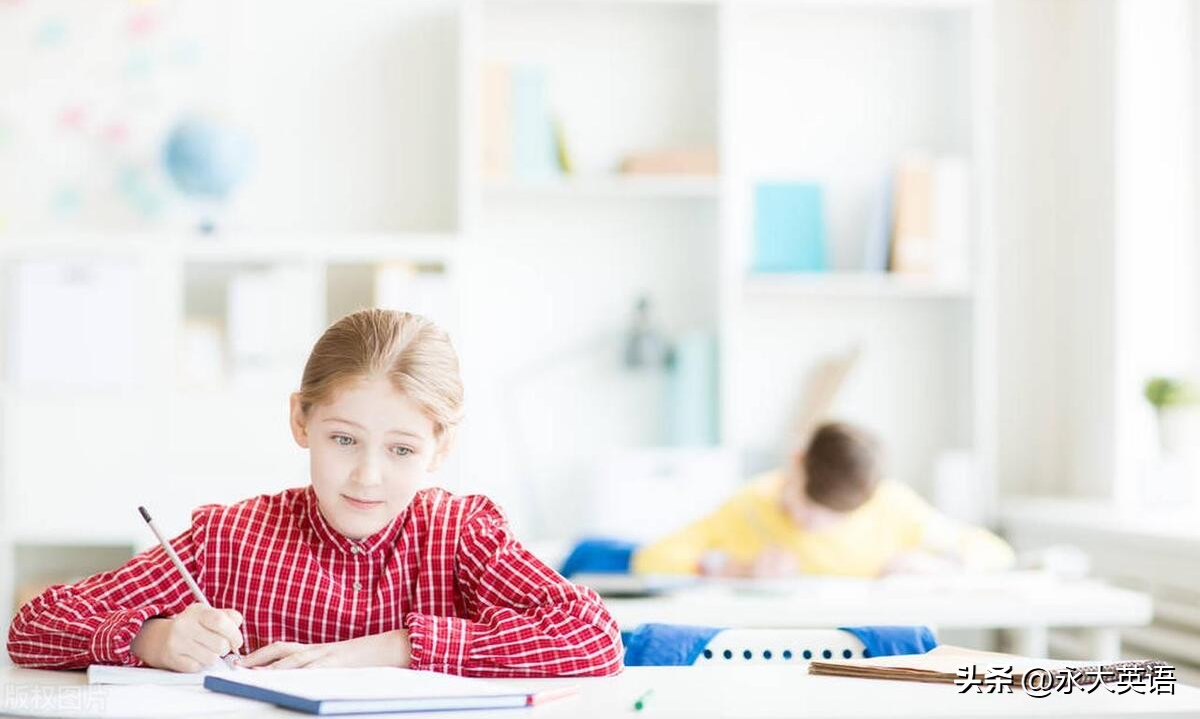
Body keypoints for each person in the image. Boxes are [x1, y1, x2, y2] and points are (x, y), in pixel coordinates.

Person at [8, 309, 622, 677]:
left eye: (401, 450)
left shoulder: (458, 535)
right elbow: (32, 626)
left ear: (440, 448)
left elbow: (592, 636)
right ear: (301, 421)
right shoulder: (232, 539)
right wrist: (154, 639)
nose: (367, 476)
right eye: (344, 440)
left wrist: (395, 648)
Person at [632, 421, 1015, 578]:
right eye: (806, 505)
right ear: (796, 462)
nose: (811, 524)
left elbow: (996, 553)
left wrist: (935, 565)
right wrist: (736, 568)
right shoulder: (751, 506)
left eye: (831, 517)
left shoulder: (891, 505)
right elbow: (650, 560)